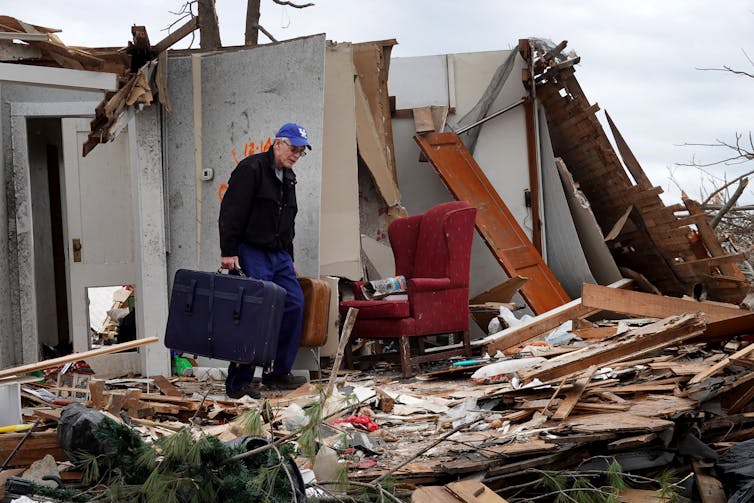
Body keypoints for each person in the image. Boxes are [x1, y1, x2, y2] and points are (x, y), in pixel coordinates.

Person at [219, 122, 311, 398]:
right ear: (278, 143)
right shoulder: (251, 169)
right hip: (251, 249)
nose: (296, 155)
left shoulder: (289, 176)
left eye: (301, 151)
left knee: (294, 303)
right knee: (255, 310)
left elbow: (288, 220)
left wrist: (290, 256)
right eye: (293, 148)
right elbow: (231, 211)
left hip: (279, 253)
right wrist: (228, 251)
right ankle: (239, 381)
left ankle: (278, 372)